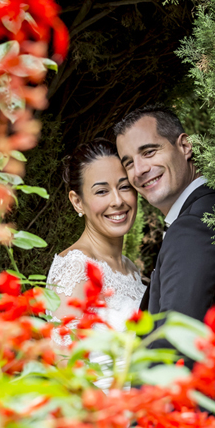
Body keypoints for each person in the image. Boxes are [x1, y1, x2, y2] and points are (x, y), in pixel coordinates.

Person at [114, 105, 215, 346]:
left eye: (149, 152)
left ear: (185, 146)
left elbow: (176, 347)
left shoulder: (193, 227)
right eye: (129, 163)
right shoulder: (210, 207)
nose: (140, 170)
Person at [46, 138, 146, 387]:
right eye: (102, 191)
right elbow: (67, 376)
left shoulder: (130, 269)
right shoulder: (74, 269)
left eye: (124, 187)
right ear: (77, 201)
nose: (117, 201)